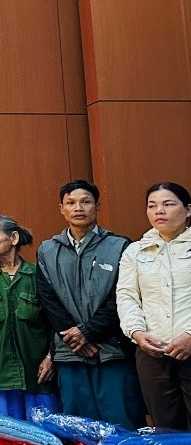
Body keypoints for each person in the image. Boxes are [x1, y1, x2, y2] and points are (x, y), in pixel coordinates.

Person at [36, 180, 143, 429]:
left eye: (85, 201)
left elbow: (122, 296)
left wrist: (88, 331)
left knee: (121, 424)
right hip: (69, 353)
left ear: (97, 206)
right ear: (62, 209)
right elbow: (48, 299)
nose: (78, 208)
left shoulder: (120, 246)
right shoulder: (47, 250)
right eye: (71, 203)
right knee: (79, 427)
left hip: (112, 350)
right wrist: (75, 337)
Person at [117, 182, 191, 430]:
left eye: (168, 204)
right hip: (153, 351)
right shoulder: (134, 251)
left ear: (188, 210)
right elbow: (127, 296)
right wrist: (137, 333)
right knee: (166, 428)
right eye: (152, 206)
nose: (159, 211)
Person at [0, 214, 58, 420]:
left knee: (44, 432)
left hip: (39, 373)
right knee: (9, 433)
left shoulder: (39, 275)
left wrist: (51, 358)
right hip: (1, 373)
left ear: (13, 238)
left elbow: (56, 321)